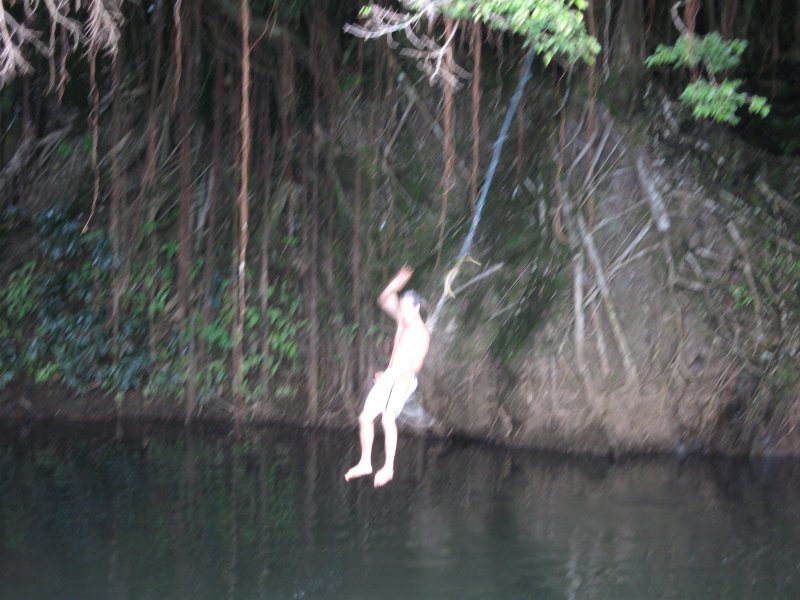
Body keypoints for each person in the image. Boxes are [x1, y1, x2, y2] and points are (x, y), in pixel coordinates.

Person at [344, 266, 430, 487]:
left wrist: (392, 375)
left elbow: (415, 367)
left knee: (387, 419)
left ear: (417, 308)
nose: (401, 311)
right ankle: (365, 462)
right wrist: (397, 283)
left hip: (404, 379)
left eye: (405, 308)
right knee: (364, 418)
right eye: (400, 307)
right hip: (391, 375)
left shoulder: (421, 333)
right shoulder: (403, 320)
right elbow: (384, 298)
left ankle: (388, 468)